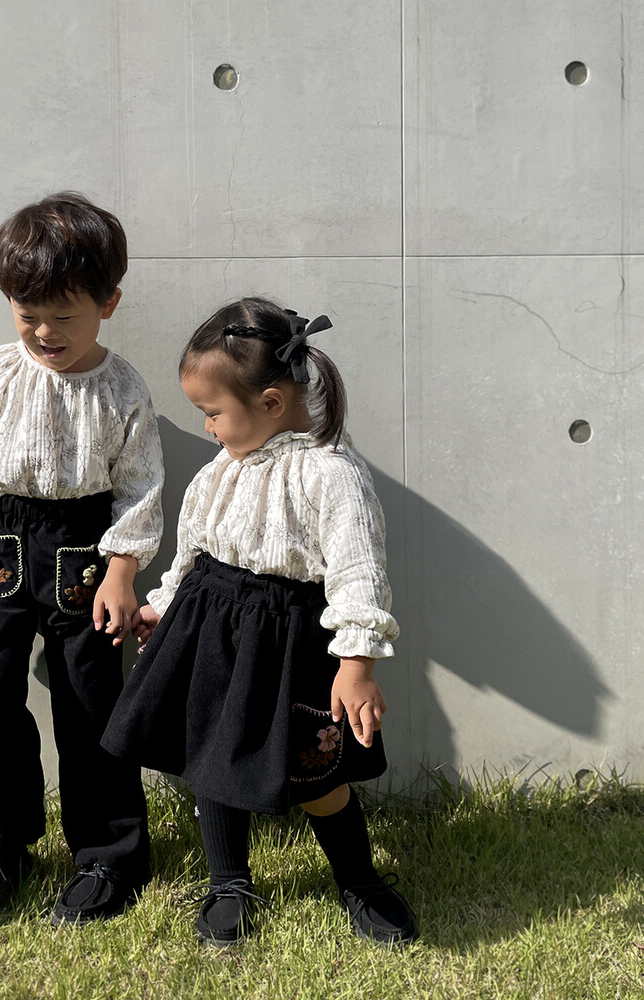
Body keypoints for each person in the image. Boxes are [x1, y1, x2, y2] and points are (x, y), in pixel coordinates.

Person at [102, 297, 416, 947]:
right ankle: (228, 883)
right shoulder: (221, 471)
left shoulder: (333, 475)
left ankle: (359, 880)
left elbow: (360, 574)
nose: (209, 427)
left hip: (289, 644)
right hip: (211, 633)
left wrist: (356, 666)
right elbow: (193, 552)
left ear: (271, 402)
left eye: (213, 412)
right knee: (212, 759)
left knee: (317, 774)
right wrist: (164, 604)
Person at [0, 192, 163, 925]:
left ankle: (110, 853)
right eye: (28, 314)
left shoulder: (123, 388)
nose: (45, 333)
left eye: (64, 316)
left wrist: (123, 570)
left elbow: (141, 485)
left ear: (108, 304)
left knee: (90, 701)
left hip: (83, 551)